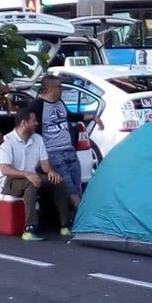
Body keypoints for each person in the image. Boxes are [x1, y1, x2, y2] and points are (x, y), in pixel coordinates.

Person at [29, 76, 104, 228]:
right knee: (69, 188)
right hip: (53, 152)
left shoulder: (59, 103)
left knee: (77, 186)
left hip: (69, 150)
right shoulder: (37, 106)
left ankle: (81, 217)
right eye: (59, 87)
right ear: (49, 89)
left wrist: (93, 117)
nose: (61, 90)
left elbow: (69, 116)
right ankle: (86, 221)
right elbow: (30, 129)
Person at [0, 108, 67, 242]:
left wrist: (51, 172)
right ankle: (30, 228)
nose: (37, 123)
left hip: (29, 177)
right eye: (34, 121)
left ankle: (65, 224)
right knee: (31, 182)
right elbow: (5, 170)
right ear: (24, 123)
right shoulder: (7, 141)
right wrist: (26, 174)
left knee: (57, 181)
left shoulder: (37, 139)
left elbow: (45, 164)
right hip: (8, 181)